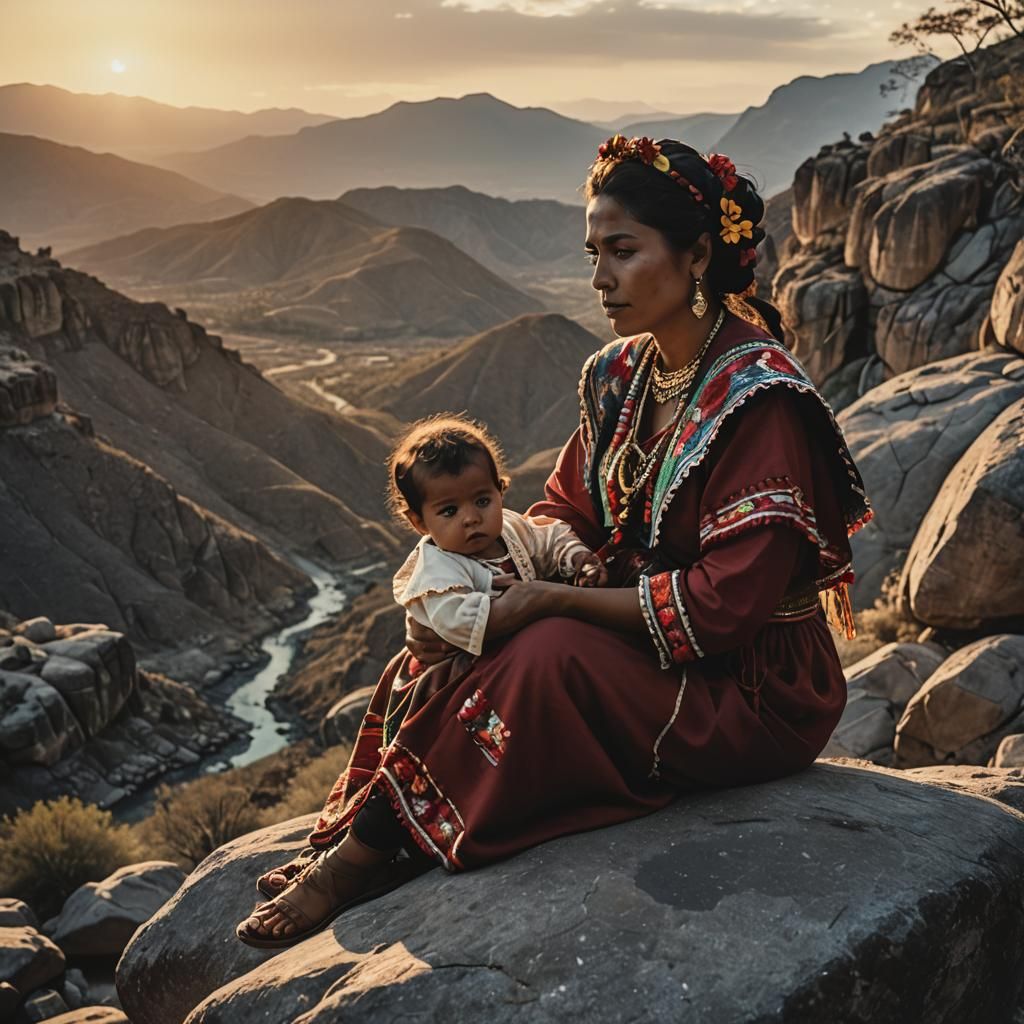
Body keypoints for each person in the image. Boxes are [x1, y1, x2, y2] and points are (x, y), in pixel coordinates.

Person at [236, 135, 873, 949]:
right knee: (445, 650)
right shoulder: (619, 376)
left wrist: (550, 599)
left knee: (545, 654)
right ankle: (398, 824)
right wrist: (504, 584)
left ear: (699, 253)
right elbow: (567, 507)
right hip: (640, 639)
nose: (600, 278)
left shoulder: (761, 403)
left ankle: (368, 854)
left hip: (750, 687)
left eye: (623, 251)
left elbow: (721, 612)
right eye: (592, 253)